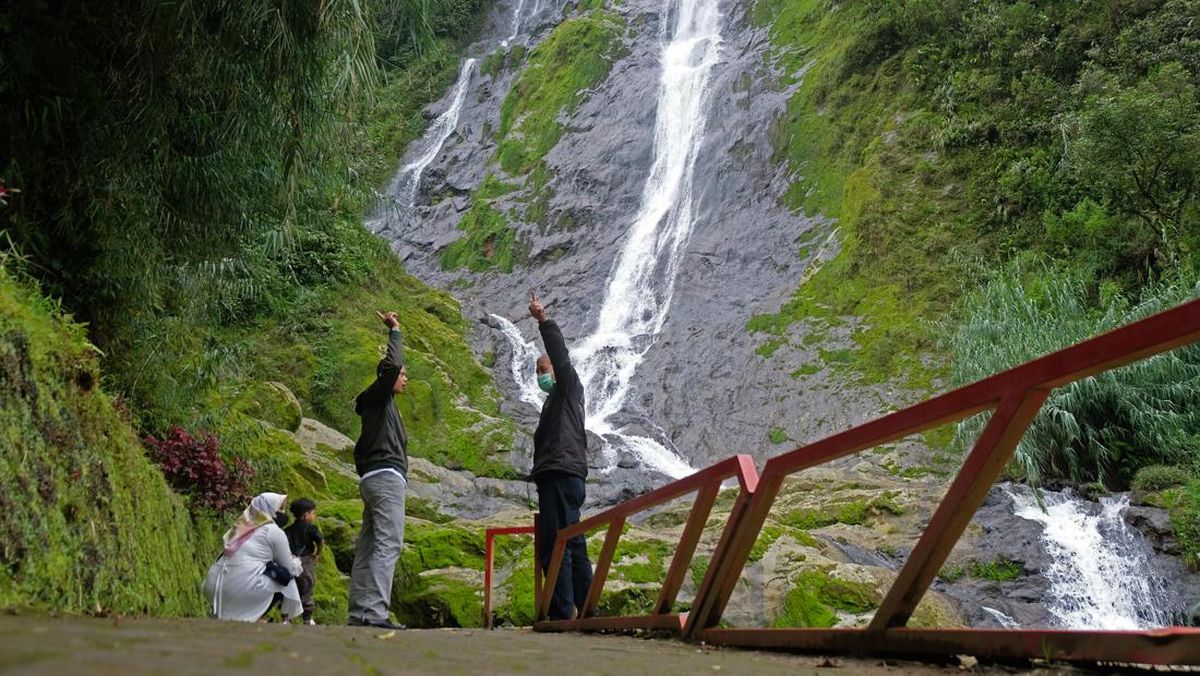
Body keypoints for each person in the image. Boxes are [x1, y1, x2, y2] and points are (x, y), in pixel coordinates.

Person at [528, 291, 594, 620]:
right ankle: (589, 610)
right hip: (563, 472)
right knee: (574, 540)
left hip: (560, 472)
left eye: (543, 368)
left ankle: (562, 613)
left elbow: (561, 357)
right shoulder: (554, 403)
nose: (540, 374)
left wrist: (544, 321)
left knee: (556, 544)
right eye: (537, 371)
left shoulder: (569, 388)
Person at [348, 310, 410, 629]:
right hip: (385, 479)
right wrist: (395, 331)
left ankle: (359, 612)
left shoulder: (381, 407)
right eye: (402, 374)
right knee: (389, 543)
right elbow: (391, 367)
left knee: (369, 544)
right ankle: (374, 613)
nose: (405, 378)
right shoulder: (380, 396)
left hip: (374, 478)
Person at [204, 492, 303, 622]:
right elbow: (290, 568)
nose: (283, 513)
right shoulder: (272, 531)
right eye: (280, 508)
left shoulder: (240, 526)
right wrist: (297, 561)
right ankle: (257, 616)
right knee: (286, 580)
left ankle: (234, 615)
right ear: (270, 509)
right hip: (239, 588)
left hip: (212, 585)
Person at [284, 498, 324, 625]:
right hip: (306, 560)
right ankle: (307, 617)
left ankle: (286, 617)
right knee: (307, 586)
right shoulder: (311, 529)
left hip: (291, 560)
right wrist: (317, 554)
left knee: (290, 587)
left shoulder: (288, 529)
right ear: (306, 515)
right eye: (313, 513)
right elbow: (320, 541)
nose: (314, 515)